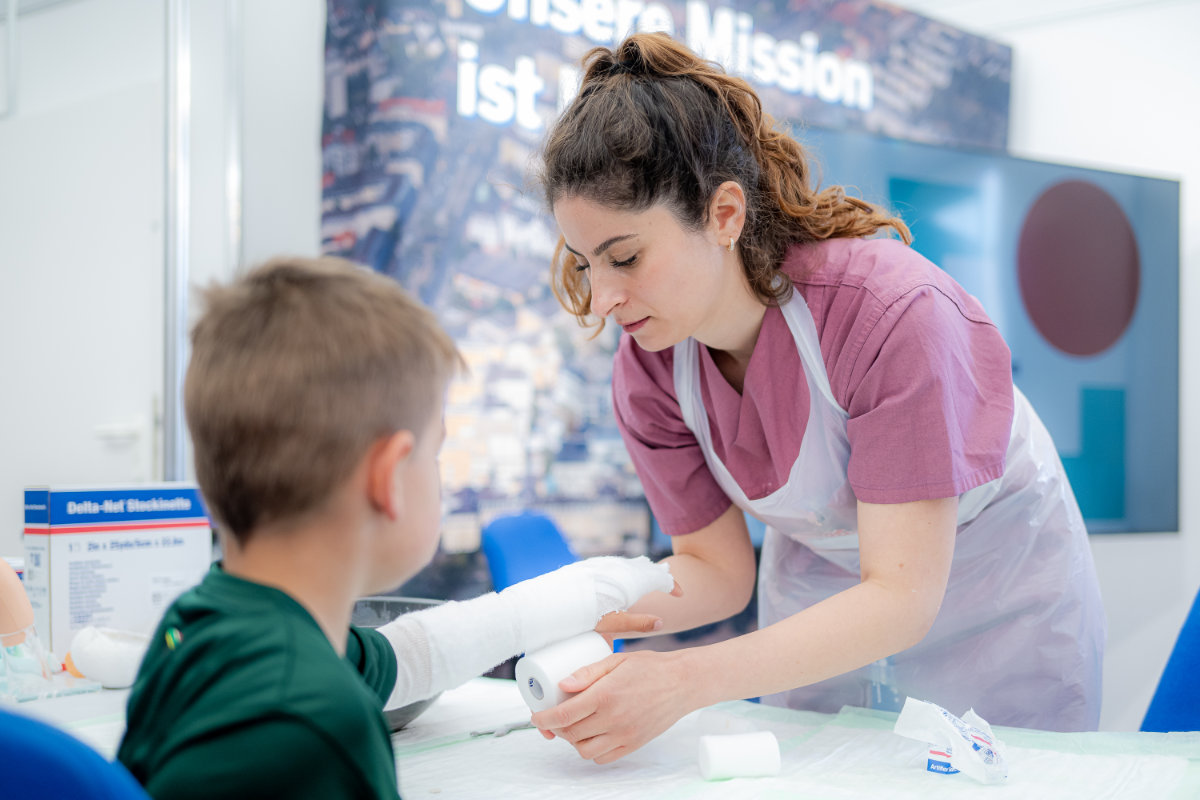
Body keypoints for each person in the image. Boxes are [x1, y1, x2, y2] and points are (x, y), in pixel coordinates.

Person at [530, 32, 1107, 764]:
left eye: (626, 257)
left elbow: (899, 597)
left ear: (725, 214)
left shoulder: (891, 316)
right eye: (586, 263)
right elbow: (716, 573)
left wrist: (683, 679)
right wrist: (547, 616)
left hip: (994, 593)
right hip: (820, 596)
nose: (603, 298)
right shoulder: (650, 367)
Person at [115, 257, 677, 799]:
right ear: (387, 479)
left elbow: (407, 657)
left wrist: (560, 602)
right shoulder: (316, 722)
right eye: (434, 454)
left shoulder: (204, 626)